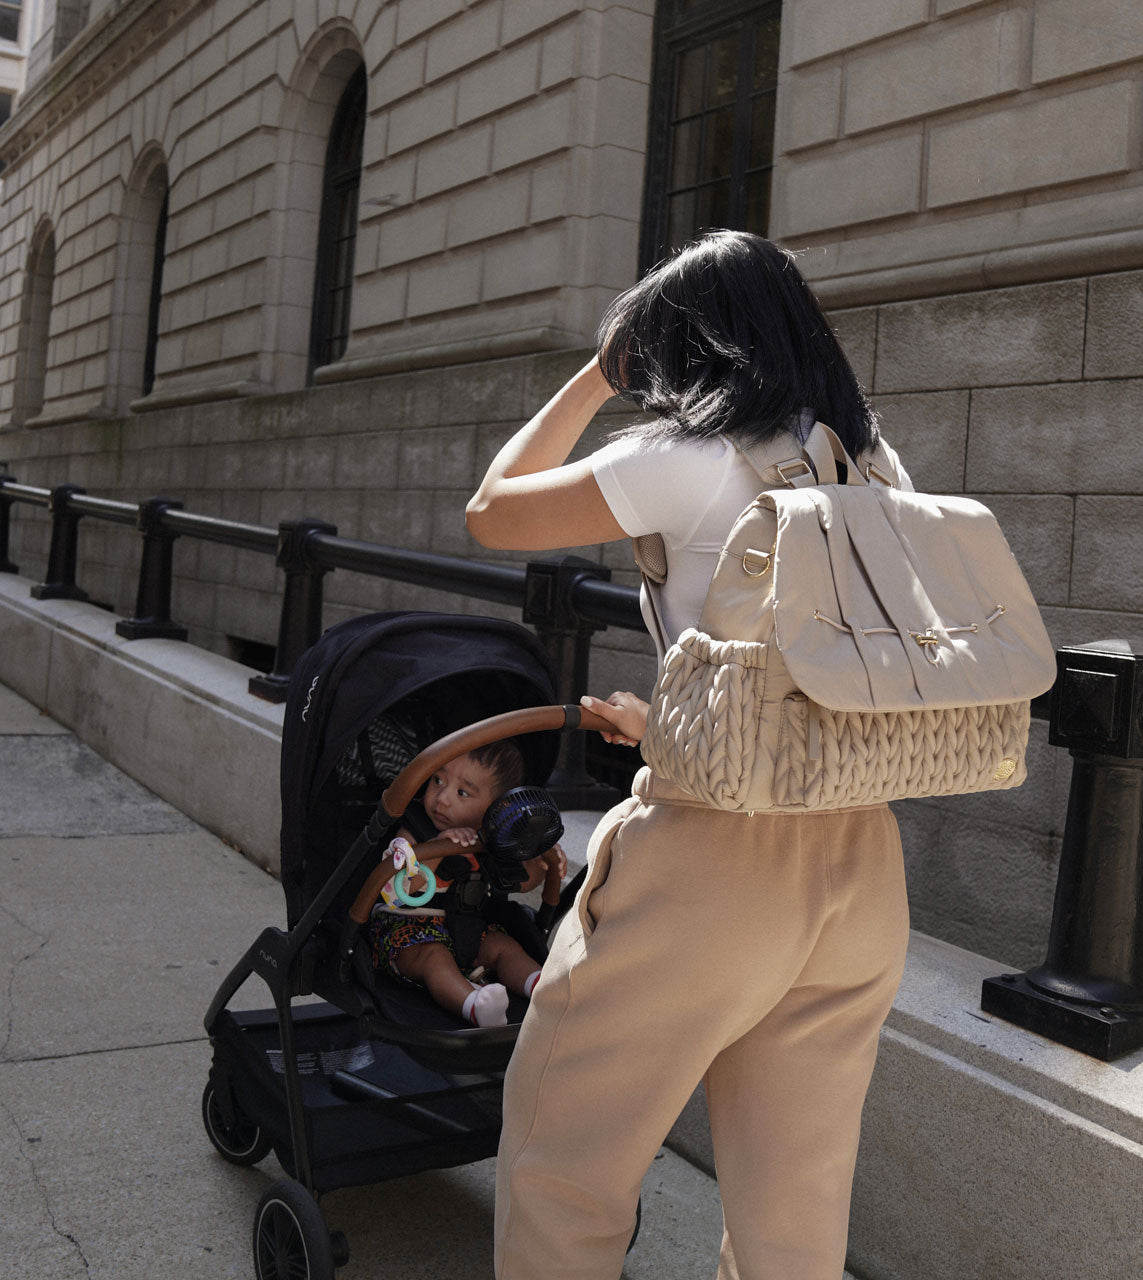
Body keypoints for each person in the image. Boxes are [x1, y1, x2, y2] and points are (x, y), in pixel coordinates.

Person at [467, 230, 912, 1280]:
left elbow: (493, 510)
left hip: (713, 860)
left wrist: (593, 375)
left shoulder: (682, 458)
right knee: (792, 1216)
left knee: (562, 1163)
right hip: (859, 861)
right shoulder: (873, 464)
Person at [367, 738, 567, 1028]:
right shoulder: (414, 830)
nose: (442, 798)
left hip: (469, 929)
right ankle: (474, 1005)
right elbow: (395, 891)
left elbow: (523, 884)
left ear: (497, 807)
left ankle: (546, 989)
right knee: (435, 958)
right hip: (406, 931)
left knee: (504, 947)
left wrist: (540, 860)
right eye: (437, 780)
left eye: (462, 792)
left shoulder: (493, 839)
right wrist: (437, 849)